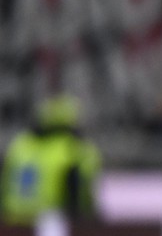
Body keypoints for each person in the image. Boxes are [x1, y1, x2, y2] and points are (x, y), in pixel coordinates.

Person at [1, 95, 101, 225]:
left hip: (12, 219)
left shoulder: (20, 143)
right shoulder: (72, 147)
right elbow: (77, 189)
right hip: (49, 221)